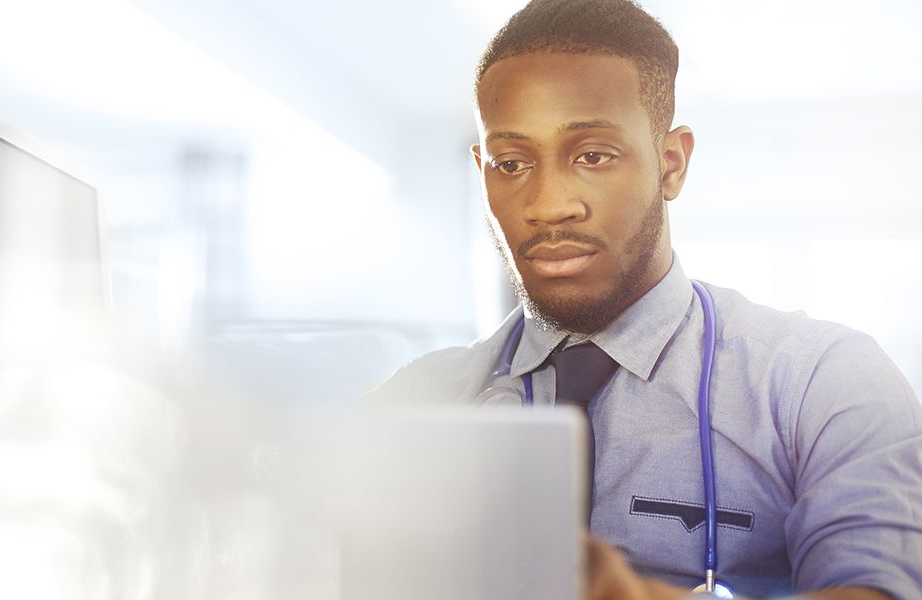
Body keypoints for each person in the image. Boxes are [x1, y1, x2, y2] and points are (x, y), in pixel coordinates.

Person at [366, 0, 922, 598]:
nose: (549, 204)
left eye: (592, 156)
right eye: (510, 162)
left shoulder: (821, 381)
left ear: (672, 163)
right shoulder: (411, 405)